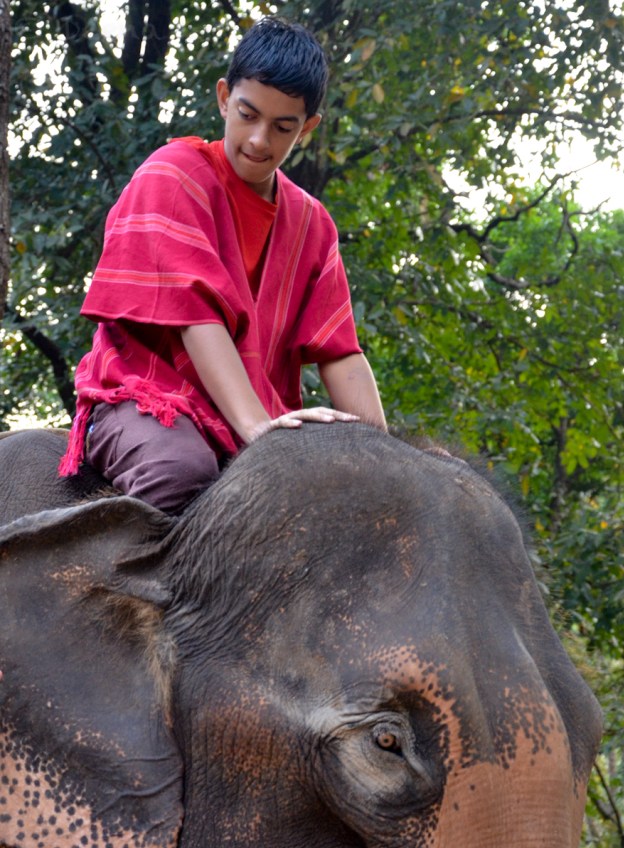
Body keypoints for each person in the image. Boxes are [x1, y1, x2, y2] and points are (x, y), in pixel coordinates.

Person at [59, 16, 386, 512]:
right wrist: (257, 429)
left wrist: (386, 459)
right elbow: (197, 317)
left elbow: (339, 352)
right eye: (247, 114)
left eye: (282, 127)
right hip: (146, 396)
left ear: (308, 128)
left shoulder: (312, 226)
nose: (258, 141)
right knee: (180, 472)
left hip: (258, 416)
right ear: (223, 98)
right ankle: (118, 591)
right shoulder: (174, 176)